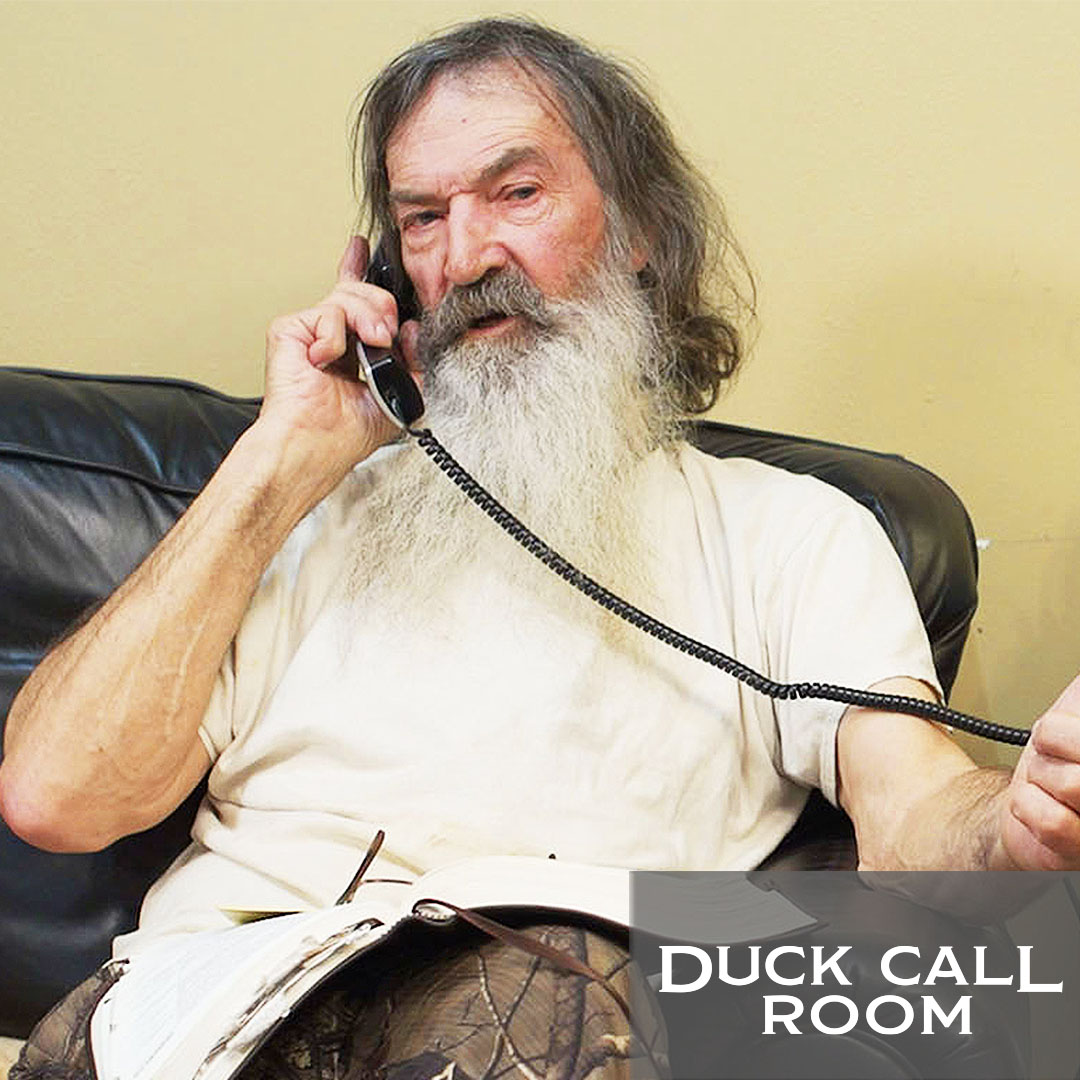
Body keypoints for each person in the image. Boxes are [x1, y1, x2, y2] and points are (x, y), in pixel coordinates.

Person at [3, 14, 1080, 1079]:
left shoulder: (794, 532)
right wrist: (280, 458)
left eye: (516, 193)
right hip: (221, 1009)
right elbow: (57, 800)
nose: (466, 256)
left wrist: (1017, 822)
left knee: (559, 988)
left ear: (639, 228)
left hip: (545, 1012)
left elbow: (910, 805)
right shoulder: (294, 513)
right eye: (424, 219)